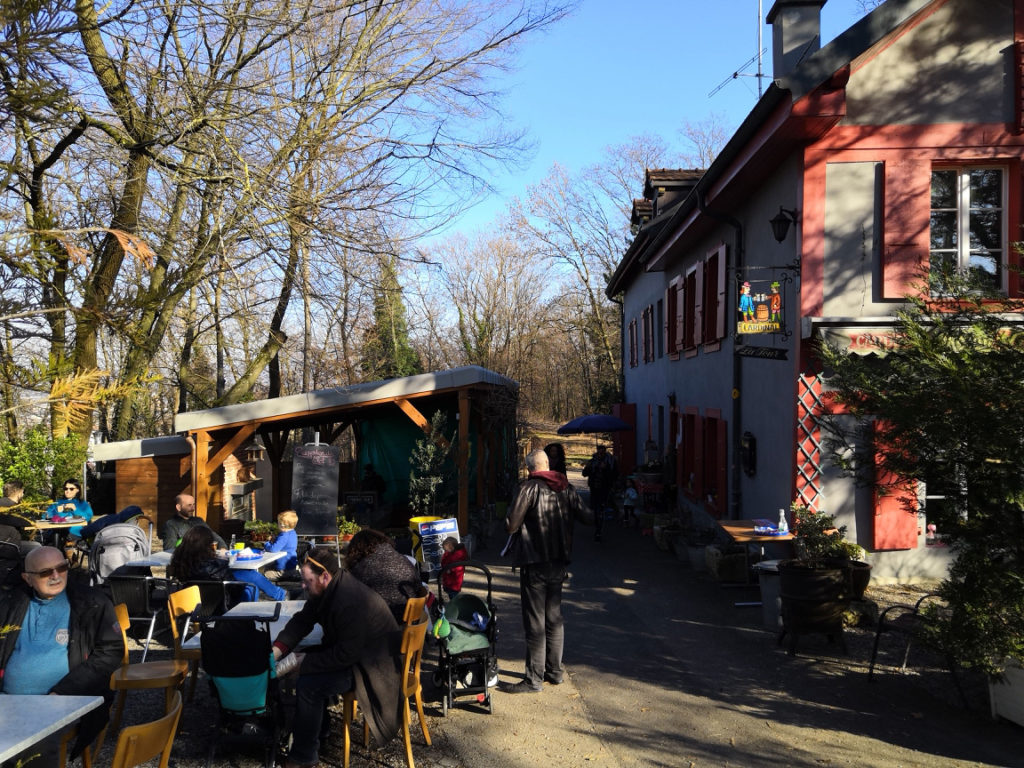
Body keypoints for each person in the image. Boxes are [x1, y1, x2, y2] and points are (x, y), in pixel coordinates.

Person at [273, 547, 401, 768]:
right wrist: (277, 650)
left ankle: (303, 758)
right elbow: (302, 620)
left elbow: (345, 655)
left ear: (324, 576)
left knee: (309, 684)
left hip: (372, 670)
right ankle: (318, 734)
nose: (303, 586)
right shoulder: (327, 588)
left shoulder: (348, 600)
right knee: (307, 669)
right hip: (355, 657)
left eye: (307, 581)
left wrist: (305, 663)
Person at [0, 546, 123, 760]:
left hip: (65, 702)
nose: (56, 576)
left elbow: (110, 651)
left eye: (62, 567)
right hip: (8, 702)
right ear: (27, 578)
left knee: (31, 746)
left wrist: (62, 692)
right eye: (46, 572)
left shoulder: (91, 602)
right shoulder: (10, 603)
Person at [503, 449, 592, 694]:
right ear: (548, 465)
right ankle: (555, 672)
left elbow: (511, 525)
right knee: (554, 618)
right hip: (559, 562)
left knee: (535, 622)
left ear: (530, 468)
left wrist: (507, 516)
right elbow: (588, 517)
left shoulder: (528, 488)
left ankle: (533, 679)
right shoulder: (566, 487)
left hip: (535, 562)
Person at [167, 525, 286, 603]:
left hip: (192, 601)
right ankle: (280, 596)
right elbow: (231, 585)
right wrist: (224, 561)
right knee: (250, 584)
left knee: (248, 575)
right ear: (205, 544)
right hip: (218, 603)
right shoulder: (212, 566)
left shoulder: (181, 560)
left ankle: (281, 595)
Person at [345, 528, 422, 623]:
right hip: (412, 624)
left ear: (356, 549)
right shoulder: (404, 559)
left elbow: (350, 599)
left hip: (384, 628)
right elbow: (419, 587)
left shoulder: (361, 569)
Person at [161, 493, 226, 551]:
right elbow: (169, 549)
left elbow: (213, 535)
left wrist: (223, 547)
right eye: (189, 505)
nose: (193, 509)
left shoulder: (198, 521)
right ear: (178, 507)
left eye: (193, 505)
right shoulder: (170, 525)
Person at [582, 445, 617, 542]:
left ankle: (599, 530)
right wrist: (588, 467)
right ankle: (597, 524)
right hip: (594, 488)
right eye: (599, 452)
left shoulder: (610, 461)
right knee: (594, 508)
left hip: (605, 488)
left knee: (601, 508)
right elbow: (584, 474)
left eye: (602, 453)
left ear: (605, 452)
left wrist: (605, 469)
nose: (600, 454)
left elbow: (615, 475)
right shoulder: (592, 461)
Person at [0, 480, 40, 555]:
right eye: (23, 492)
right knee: (37, 547)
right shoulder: (11, 507)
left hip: (4, 543)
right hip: (7, 546)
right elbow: (28, 521)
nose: (23, 494)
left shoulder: (3, 503)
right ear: (19, 493)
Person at [263, 509, 299, 574]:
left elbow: (273, 549)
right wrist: (275, 539)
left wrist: (266, 543)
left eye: (278, 523)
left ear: (282, 525)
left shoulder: (284, 536)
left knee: (265, 573)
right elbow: (284, 543)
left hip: (283, 568)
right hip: (291, 564)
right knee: (268, 566)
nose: (278, 524)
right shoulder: (292, 532)